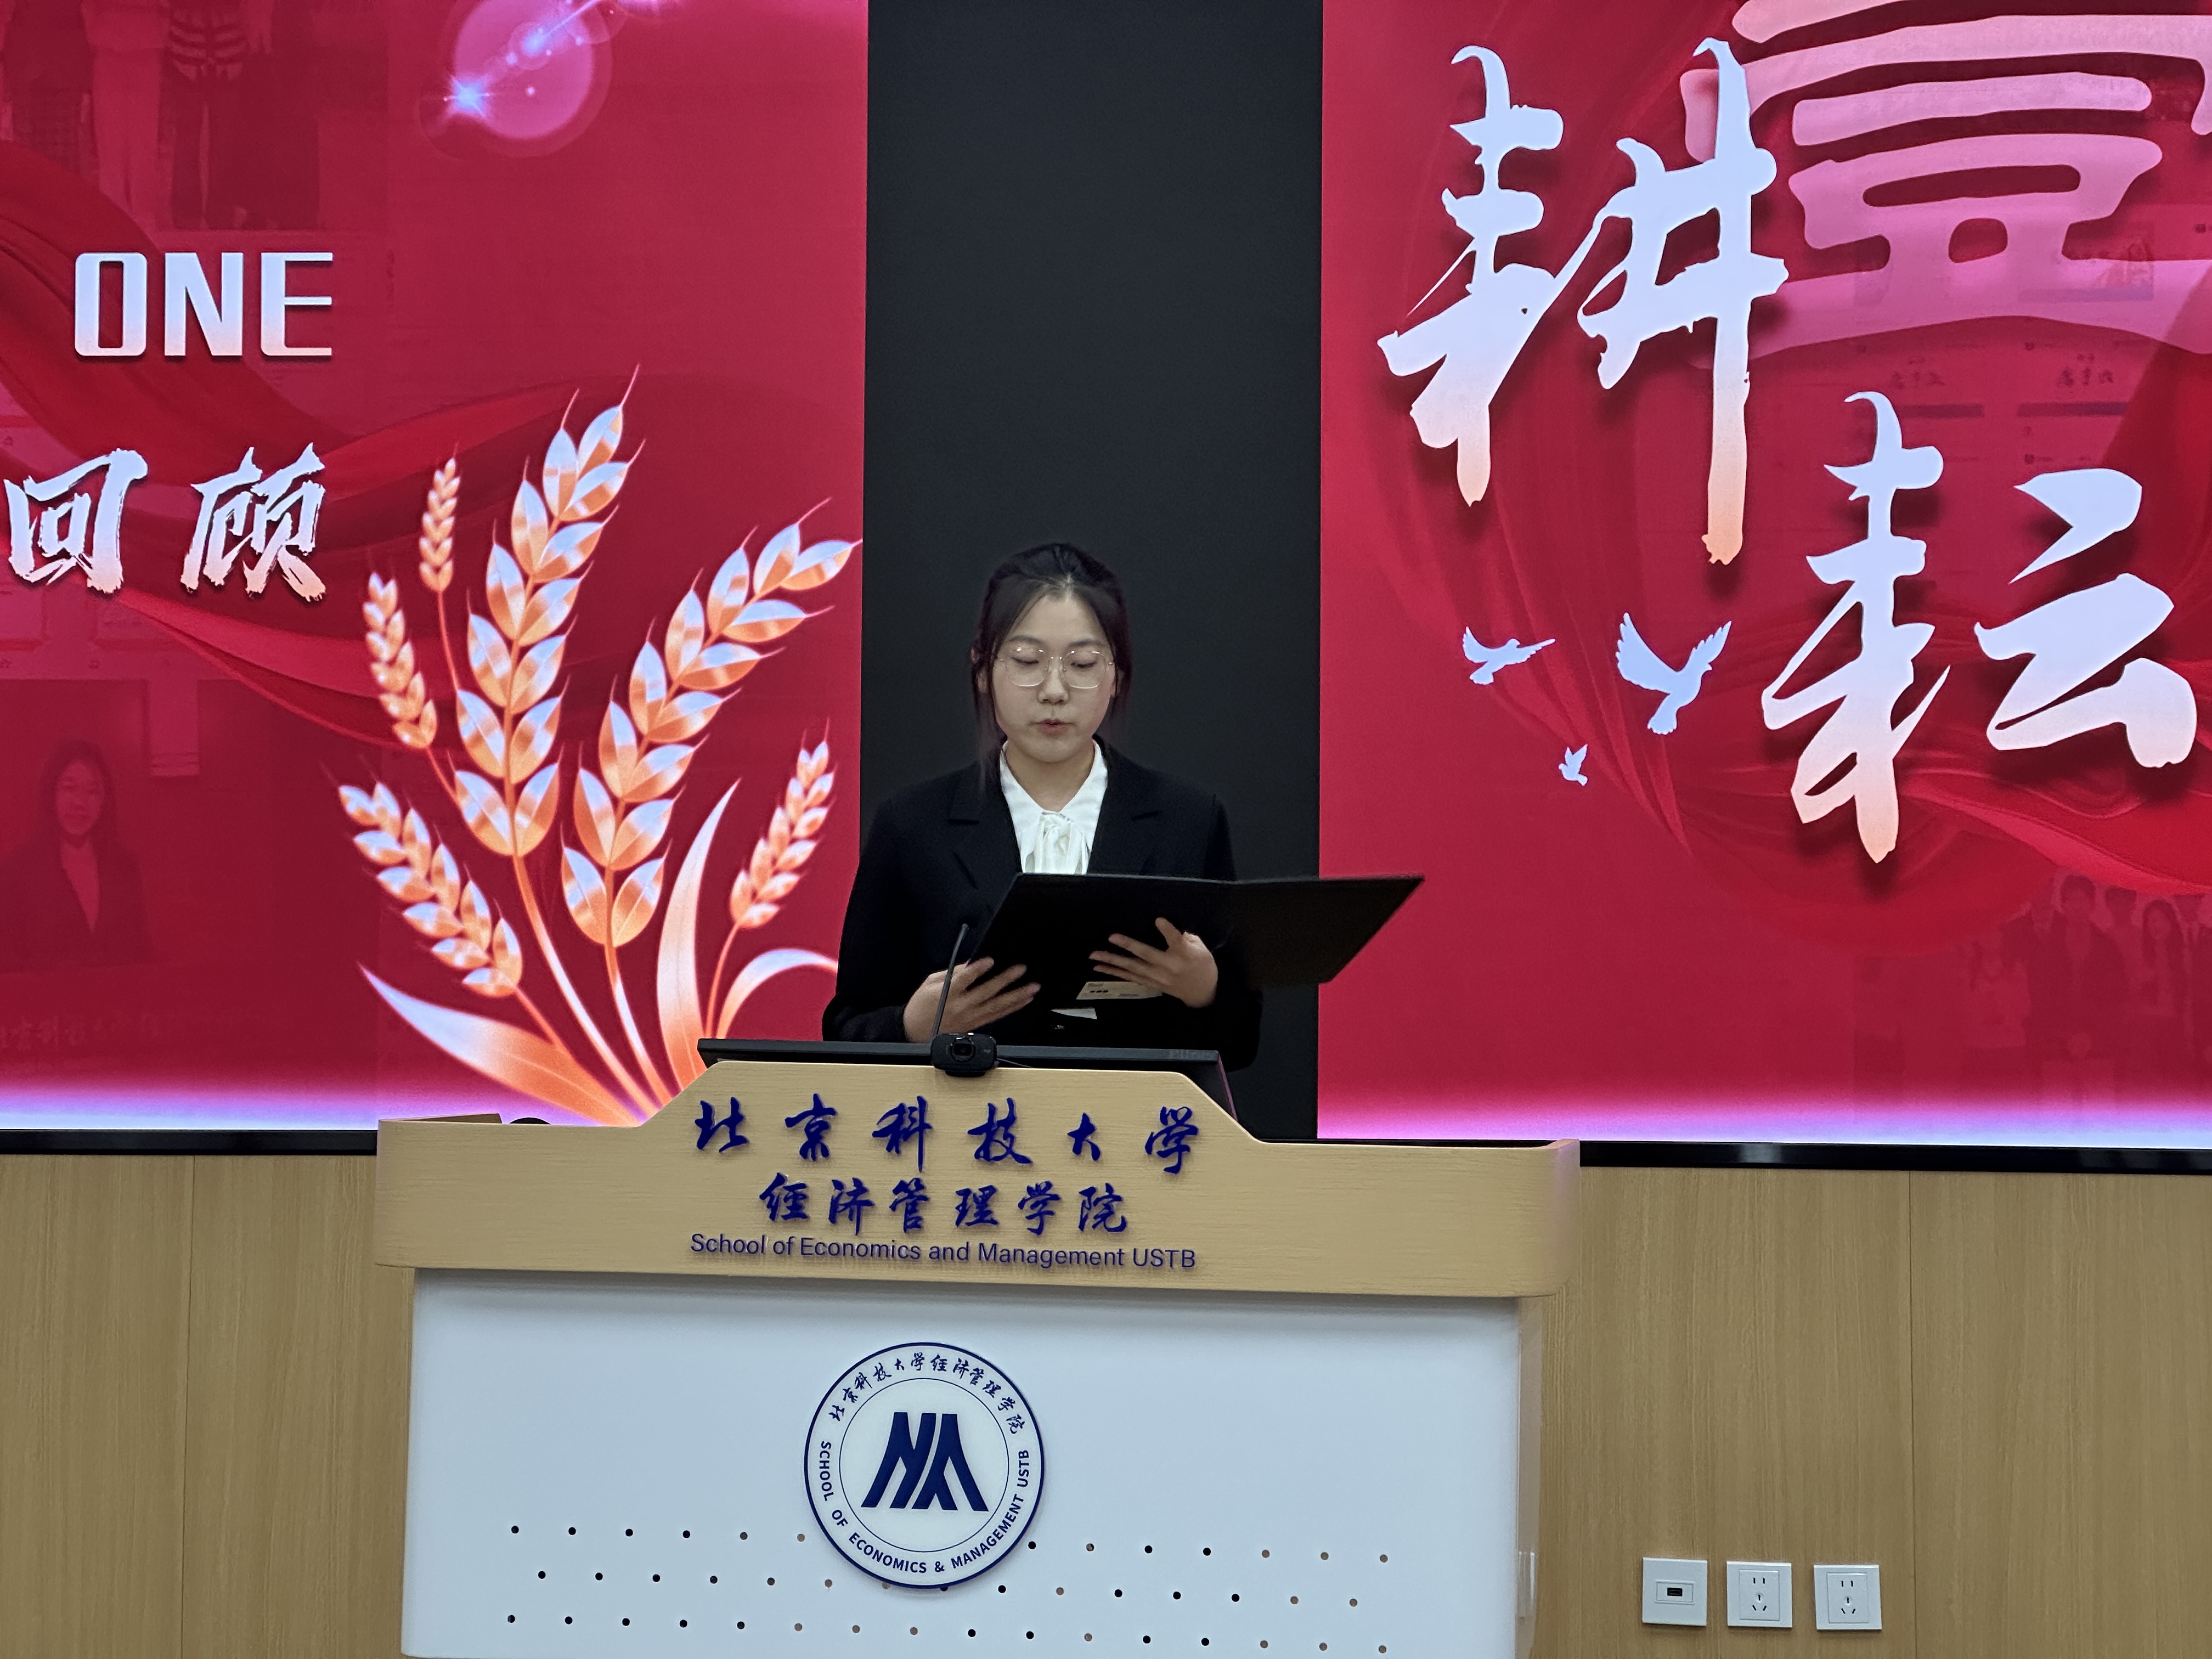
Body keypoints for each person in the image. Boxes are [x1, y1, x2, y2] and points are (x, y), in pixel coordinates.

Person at [824, 543, 1261, 1068]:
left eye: (1082, 664)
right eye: (1027, 661)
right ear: (982, 670)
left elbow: (1243, 1042)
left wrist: (1204, 989)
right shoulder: (912, 825)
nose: (1054, 690)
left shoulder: (1188, 819)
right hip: (975, 1115)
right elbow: (845, 1030)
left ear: (1117, 676)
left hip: (1133, 1116)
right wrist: (913, 1027)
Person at [0, 738, 153, 970]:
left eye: (93, 792)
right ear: (51, 793)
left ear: (105, 801)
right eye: (69, 788)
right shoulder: (18, 872)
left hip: (117, 994)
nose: (80, 802)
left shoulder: (124, 868)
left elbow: (141, 953)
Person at [2027, 873, 2123, 1103]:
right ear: (2063, 905)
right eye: (2071, 900)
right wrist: (2065, 1036)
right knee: (2057, 1117)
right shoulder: (2047, 949)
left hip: (2100, 1047)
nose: (2077, 906)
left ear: (2092, 905)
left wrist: (2091, 1036)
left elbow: (2116, 998)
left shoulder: (2108, 948)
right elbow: (2040, 998)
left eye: (2082, 900)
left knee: (2099, 1116)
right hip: (2055, 1048)